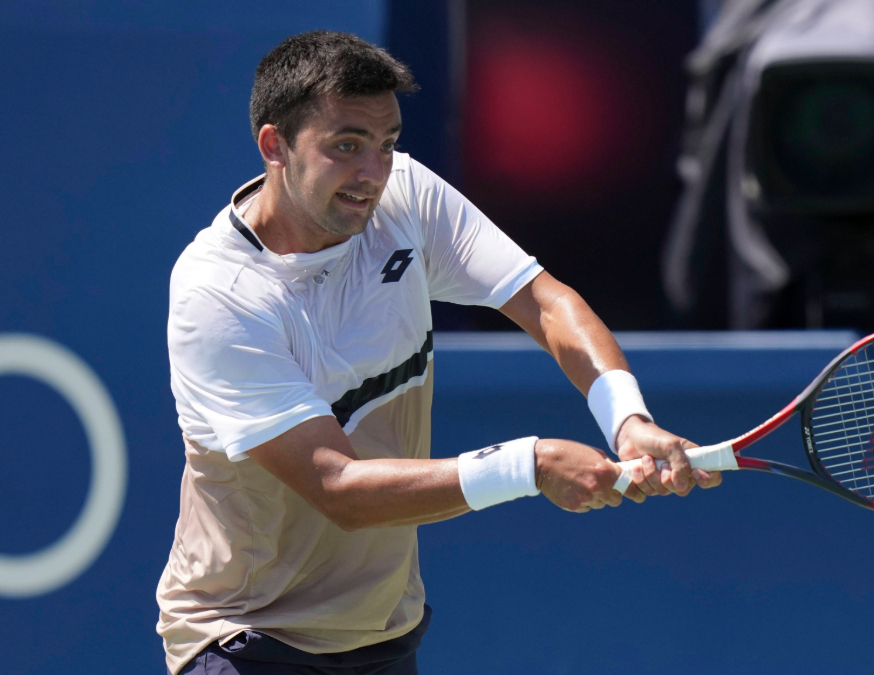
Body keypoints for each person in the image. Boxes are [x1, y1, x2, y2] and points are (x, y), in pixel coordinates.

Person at [156, 31, 719, 675]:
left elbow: (544, 303)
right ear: (274, 145)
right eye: (345, 146)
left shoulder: (407, 199)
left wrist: (628, 419)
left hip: (381, 633)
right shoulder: (220, 294)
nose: (372, 174)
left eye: (387, 144)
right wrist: (528, 465)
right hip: (246, 639)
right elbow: (339, 488)